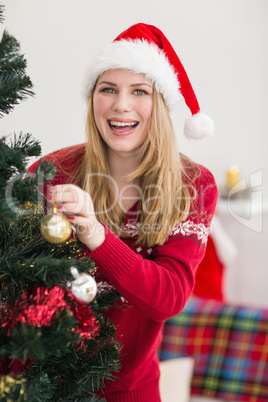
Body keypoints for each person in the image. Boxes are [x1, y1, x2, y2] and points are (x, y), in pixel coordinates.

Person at [29, 23, 218, 402]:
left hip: (128, 392)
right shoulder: (49, 173)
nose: (121, 105)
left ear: (160, 103)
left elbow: (168, 298)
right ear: (93, 99)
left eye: (139, 92)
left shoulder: (193, 185)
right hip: (40, 386)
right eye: (108, 89)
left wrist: (95, 234)